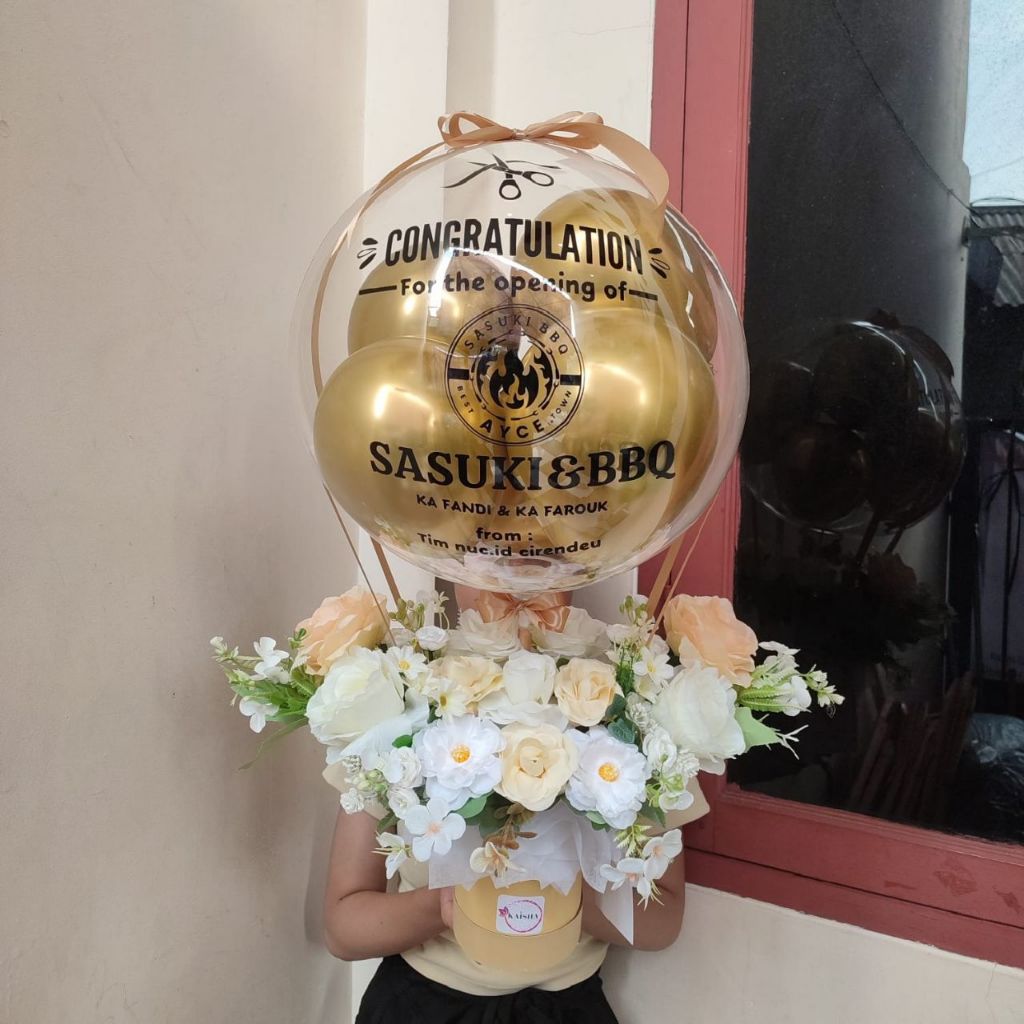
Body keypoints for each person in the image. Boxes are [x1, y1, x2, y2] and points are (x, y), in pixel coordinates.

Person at [322, 785, 706, 1022]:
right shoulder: (390, 722)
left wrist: (562, 895)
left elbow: (663, 920)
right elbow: (344, 929)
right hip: (419, 1006)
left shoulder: (640, 735)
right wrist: (453, 902)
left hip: (567, 1008)